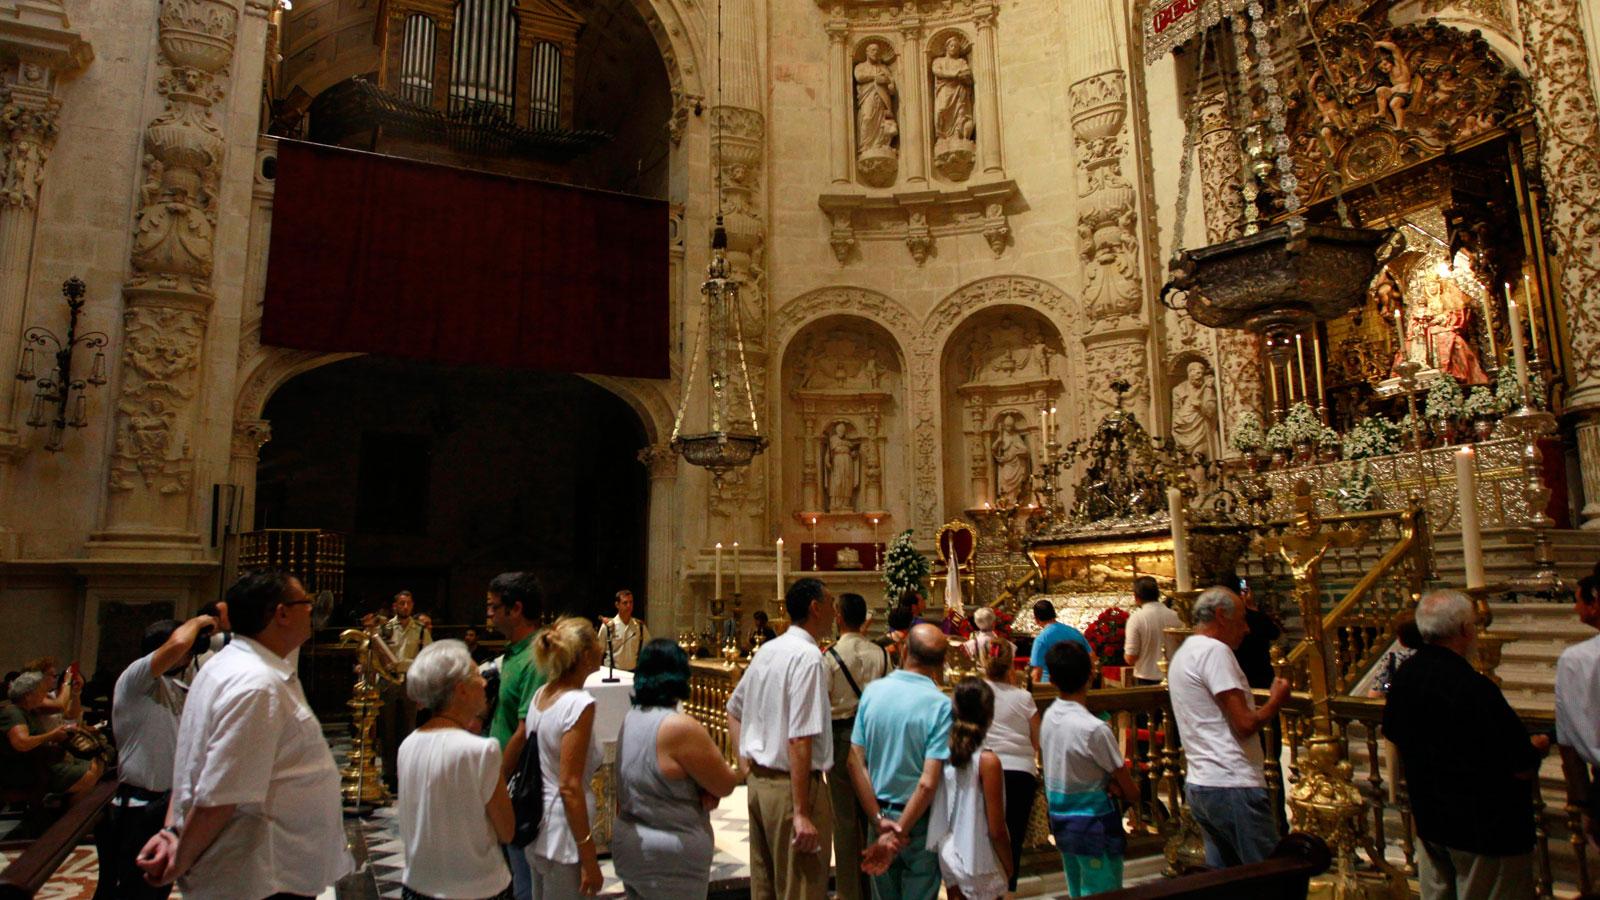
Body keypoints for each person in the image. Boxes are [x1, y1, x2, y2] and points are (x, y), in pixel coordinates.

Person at [137, 569, 353, 899]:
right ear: (281, 613)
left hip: (266, 866)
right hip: (261, 872)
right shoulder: (256, 685)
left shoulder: (232, 666)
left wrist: (173, 830)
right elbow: (220, 793)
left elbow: (194, 765)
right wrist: (178, 860)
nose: (311, 610)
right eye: (305, 602)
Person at [1383, 589, 1547, 899]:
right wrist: (1536, 746)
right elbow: (1520, 765)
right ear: (1465, 630)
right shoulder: (1471, 686)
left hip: (1431, 821)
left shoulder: (1407, 675)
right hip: (1484, 831)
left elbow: (1394, 731)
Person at [727, 578, 836, 899]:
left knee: (765, 888)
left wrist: (746, 767)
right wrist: (802, 811)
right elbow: (800, 737)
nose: (834, 611)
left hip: (760, 785)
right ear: (815, 608)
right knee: (801, 888)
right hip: (794, 790)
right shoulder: (808, 657)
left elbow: (734, 710)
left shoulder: (768, 651)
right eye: (830, 603)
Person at [1167, 587, 1290, 868]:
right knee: (1273, 880)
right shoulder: (1214, 652)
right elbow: (1245, 723)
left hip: (1202, 784)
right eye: (1242, 618)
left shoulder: (1184, 653)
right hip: (1233, 782)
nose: (1246, 628)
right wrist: (1275, 701)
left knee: (1227, 883)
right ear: (1221, 615)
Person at [95, 614, 215, 900]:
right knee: (132, 890)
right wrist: (198, 621)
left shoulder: (175, 687)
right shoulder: (135, 678)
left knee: (155, 890)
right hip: (138, 806)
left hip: (167, 804)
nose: (189, 652)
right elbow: (177, 644)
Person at [613, 639, 740, 898]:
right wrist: (744, 760)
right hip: (669, 855)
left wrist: (701, 787)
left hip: (631, 842)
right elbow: (725, 783)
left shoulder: (632, 717)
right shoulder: (678, 727)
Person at [398, 640, 514, 900]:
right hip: (478, 888)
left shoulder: (407, 745)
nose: (484, 682)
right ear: (460, 690)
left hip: (419, 885)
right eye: (476, 675)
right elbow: (507, 830)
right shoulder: (480, 751)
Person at [848, 624, 954, 899]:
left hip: (880, 818)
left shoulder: (872, 692)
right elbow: (927, 783)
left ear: (904, 650)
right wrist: (898, 834)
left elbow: (854, 762)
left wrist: (878, 820)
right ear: (941, 663)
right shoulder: (939, 705)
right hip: (917, 823)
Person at [1041, 641, 1137, 897]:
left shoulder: (1049, 717)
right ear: (1091, 676)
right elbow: (1125, 780)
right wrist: (1131, 794)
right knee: (1102, 889)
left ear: (1052, 680)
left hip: (1061, 818)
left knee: (1077, 887)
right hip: (1094, 824)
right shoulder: (1094, 728)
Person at [524, 617, 605, 898]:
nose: (601, 645)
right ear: (585, 655)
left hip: (538, 822)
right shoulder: (578, 704)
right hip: (563, 832)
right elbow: (569, 786)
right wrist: (589, 857)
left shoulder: (541, 695)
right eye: (596, 638)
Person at [824, 592, 893, 900]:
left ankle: (850, 892)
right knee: (873, 810)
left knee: (845, 819)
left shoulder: (829, 656)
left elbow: (823, 703)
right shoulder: (882, 654)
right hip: (875, 738)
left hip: (841, 738)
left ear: (838, 616)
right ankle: (875, 886)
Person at [486, 571, 546, 900]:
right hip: (498, 777)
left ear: (516, 608)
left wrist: (496, 780)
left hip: (515, 783)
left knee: (521, 880)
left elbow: (525, 730)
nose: (489, 613)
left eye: (494, 607)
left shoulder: (535, 657)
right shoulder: (513, 652)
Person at [927, 678, 1011, 900]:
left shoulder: (942, 751)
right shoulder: (987, 761)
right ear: (990, 715)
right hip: (977, 853)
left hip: (947, 848)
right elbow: (996, 829)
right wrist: (1009, 864)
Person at [976, 638, 1038, 895]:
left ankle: (985, 891)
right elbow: (1037, 740)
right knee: (1014, 834)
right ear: (1011, 665)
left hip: (982, 769)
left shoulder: (975, 693)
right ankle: (1008, 890)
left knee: (984, 833)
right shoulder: (1024, 697)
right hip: (1021, 772)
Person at [2, 671, 100, 798]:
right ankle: (70, 815)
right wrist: (52, 735)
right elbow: (21, 743)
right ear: (28, 696)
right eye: (41, 691)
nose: (44, 696)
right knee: (88, 777)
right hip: (29, 770)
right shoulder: (14, 713)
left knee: (93, 765)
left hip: (40, 763)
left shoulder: (29, 712)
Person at [1556, 571, 1600, 850]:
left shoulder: (1577, 659)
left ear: (1594, 603)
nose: (1575, 608)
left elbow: (1568, 740)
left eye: (1578, 600)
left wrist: (1583, 801)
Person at [380, 589, 432, 790]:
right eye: (401, 603)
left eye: (408, 604)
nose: (405, 607)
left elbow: (427, 657)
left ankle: (405, 771)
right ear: (395, 606)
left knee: (407, 729)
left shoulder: (419, 629)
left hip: (409, 682)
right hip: (389, 682)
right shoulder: (386, 628)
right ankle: (388, 773)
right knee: (388, 729)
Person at [1220, 576, 1281, 690]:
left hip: (1235, 677)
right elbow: (1274, 633)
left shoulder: (1221, 619)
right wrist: (1252, 607)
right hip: (1260, 673)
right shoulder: (1254, 616)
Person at [1122, 576, 1181, 686]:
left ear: (1136, 596)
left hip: (1146, 678)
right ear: (1158, 594)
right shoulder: (1176, 616)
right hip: (1175, 677)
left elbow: (1131, 657)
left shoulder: (1136, 618)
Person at [1028, 600, 1091, 686]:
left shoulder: (1041, 639)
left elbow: (1037, 673)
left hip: (1050, 689)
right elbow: (1092, 658)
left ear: (1036, 619)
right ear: (1054, 614)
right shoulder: (1075, 632)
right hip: (1076, 687)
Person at [600, 589, 652, 672]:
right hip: (612, 672)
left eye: (631, 602)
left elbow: (649, 649)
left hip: (633, 672)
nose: (629, 606)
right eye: (625, 603)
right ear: (617, 605)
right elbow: (599, 651)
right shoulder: (607, 627)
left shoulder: (639, 626)